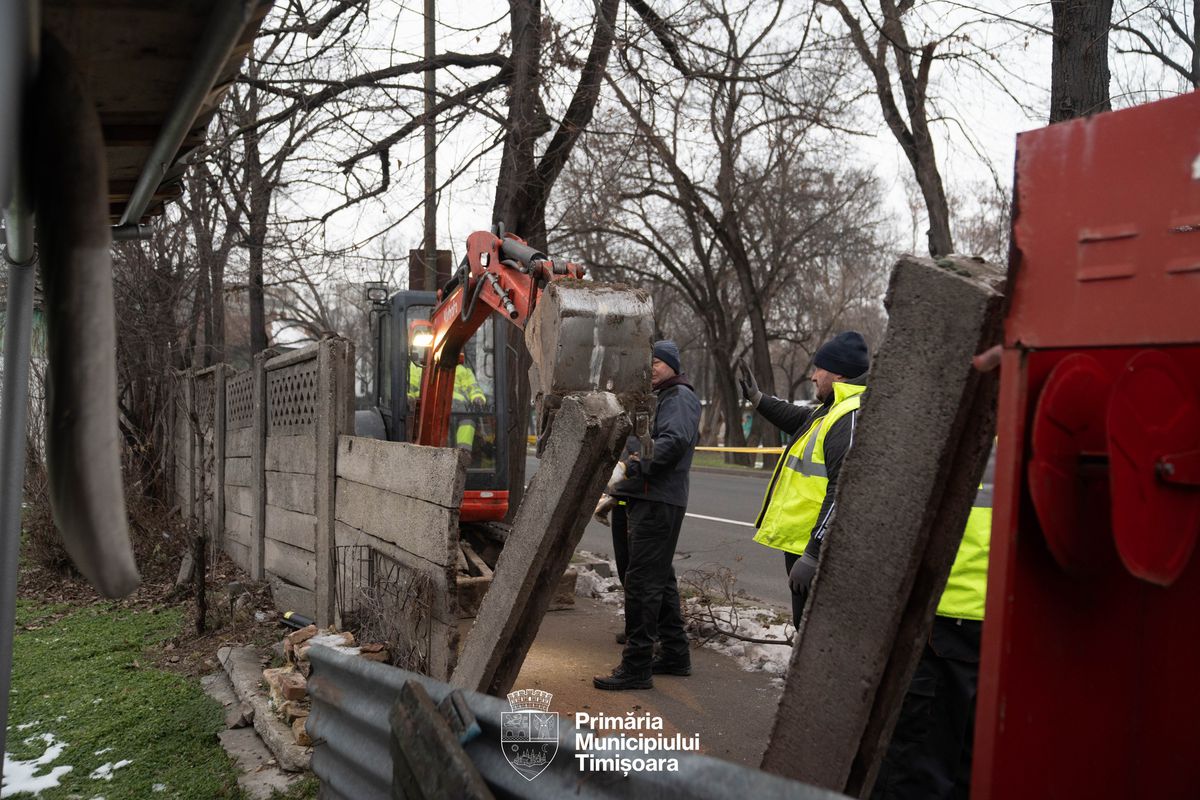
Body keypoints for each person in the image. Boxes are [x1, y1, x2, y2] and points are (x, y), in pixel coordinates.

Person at [869, 449, 994, 799]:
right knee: (969, 758)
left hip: (942, 619)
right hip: (998, 623)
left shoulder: (949, 429)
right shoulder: (1030, 434)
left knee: (916, 756)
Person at [739, 331, 870, 627]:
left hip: (819, 552)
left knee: (818, 633)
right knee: (806, 629)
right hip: (805, 546)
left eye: (818, 369)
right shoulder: (831, 409)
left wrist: (813, 554)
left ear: (837, 374)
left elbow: (844, 492)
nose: (812, 376)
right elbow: (797, 418)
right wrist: (758, 399)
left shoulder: (849, 415)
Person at [594, 340, 701, 691]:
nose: (651, 367)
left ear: (672, 365)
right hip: (644, 498)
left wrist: (632, 465)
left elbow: (672, 441)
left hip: (658, 501)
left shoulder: (679, 397)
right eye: (648, 361)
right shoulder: (655, 399)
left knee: (642, 584)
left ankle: (637, 666)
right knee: (658, 580)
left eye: (658, 361)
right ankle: (674, 654)